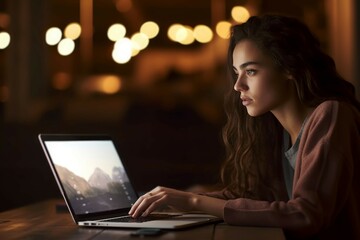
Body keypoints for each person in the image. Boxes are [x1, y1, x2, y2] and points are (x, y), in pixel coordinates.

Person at [128, 14, 360, 239]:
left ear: (290, 68)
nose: (238, 85)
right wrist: (175, 198)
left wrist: (193, 201)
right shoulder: (274, 130)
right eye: (236, 72)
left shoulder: (330, 114)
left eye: (251, 71)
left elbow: (305, 214)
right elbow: (252, 196)